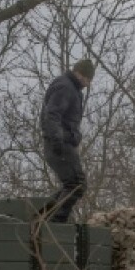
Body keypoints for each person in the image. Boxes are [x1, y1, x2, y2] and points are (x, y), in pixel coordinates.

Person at [38, 58, 95, 223]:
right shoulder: (65, 87)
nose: (87, 83)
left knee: (73, 184)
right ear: (79, 73)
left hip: (65, 141)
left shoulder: (73, 89)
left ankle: (43, 215)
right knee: (76, 184)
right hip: (60, 143)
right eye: (87, 79)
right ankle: (55, 222)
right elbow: (52, 115)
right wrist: (57, 140)